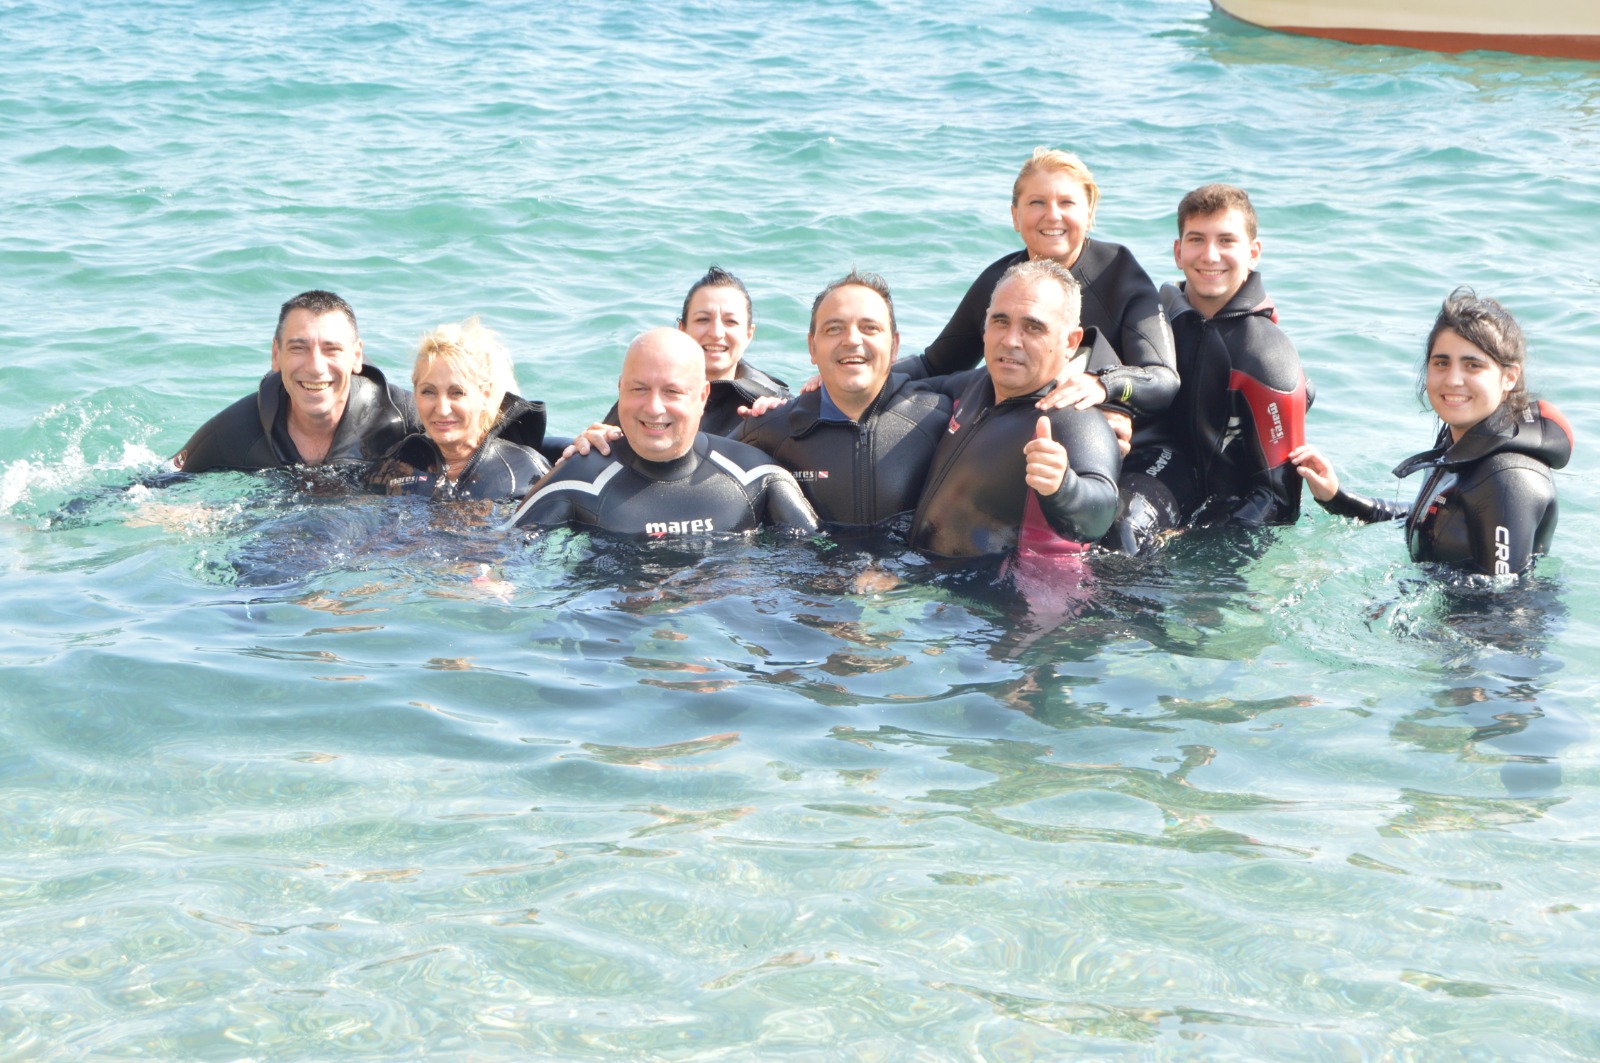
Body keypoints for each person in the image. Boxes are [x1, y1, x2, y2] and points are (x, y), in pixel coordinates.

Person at [901, 148, 1178, 445]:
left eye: (1067, 202)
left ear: (1089, 214)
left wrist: (1104, 385)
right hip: (1036, 437)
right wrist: (866, 372)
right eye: (1037, 202)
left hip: (1131, 446)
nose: (1052, 215)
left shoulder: (1119, 274)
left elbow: (1163, 379)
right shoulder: (1003, 283)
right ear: (1015, 216)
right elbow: (934, 365)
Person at [1290, 288, 1572, 576]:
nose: (1453, 379)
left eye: (1473, 365)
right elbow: (1428, 517)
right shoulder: (1461, 444)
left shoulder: (1507, 479)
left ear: (1509, 377)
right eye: (1441, 363)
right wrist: (1337, 496)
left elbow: (1503, 606)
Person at [1103, 184, 1309, 553]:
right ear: (1179, 252)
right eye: (1197, 240)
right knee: (1116, 526)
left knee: (1124, 534)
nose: (1210, 255)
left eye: (1226, 240)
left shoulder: (1267, 356)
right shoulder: (1151, 317)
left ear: (1253, 252)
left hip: (1223, 509)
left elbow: (1279, 500)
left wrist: (1201, 540)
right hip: (1157, 467)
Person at [508, 328, 818, 536]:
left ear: (702, 397)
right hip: (613, 622)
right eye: (639, 389)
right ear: (620, 389)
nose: (654, 408)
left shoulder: (756, 477)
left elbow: (821, 564)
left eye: (672, 391)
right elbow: (498, 553)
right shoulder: (580, 478)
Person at [910, 259, 1122, 558]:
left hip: (1009, 595)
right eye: (1000, 321)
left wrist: (1063, 486)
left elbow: (1099, 515)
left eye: (1033, 327)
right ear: (985, 325)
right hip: (934, 577)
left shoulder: (1074, 420)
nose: (1010, 340)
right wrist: (835, 380)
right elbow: (915, 385)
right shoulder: (976, 385)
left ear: (1071, 341)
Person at [730, 270, 951, 527]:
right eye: (834, 329)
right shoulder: (770, 429)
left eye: (870, 328)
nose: (852, 340)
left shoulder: (938, 417)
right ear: (812, 347)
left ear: (894, 346)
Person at [175, 290, 419, 477]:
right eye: (298, 348)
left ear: (356, 356)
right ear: (276, 354)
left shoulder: (406, 418)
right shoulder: (234, 430)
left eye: (331, 349)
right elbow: (157, 486)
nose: (315, 367)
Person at [368, 317, 550, 501]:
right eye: (428, 391)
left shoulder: (523, 471)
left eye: (457, 392)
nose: (442, 409)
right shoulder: (397, 462)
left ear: (485, 395)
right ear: (415, 395)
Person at [595, 266, 788, 438]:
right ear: (682, 329)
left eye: (730, 322)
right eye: (703, 319)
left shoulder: (772, 403)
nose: (716, 333)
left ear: (748, 334)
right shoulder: (647, 396)